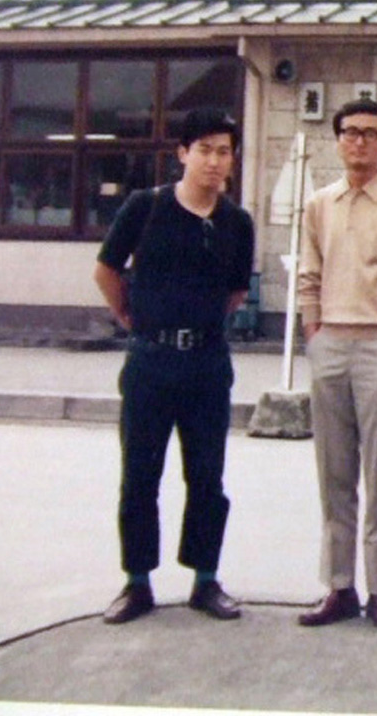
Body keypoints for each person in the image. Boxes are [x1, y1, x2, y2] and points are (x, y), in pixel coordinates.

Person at [93, 108, 255, 624]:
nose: (214, 160)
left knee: (207, 476)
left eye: (224, 151)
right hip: (150, 360)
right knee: (140, 475)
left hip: (207, 362)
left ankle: (205, 580)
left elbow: (236, 293)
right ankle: (137, 583)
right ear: (183, 153)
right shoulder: (146, 207)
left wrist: (197, 323)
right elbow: (106, 270)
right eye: (204, 149)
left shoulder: (237, 222)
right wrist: (131, 316)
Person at [296, 99, 377, 630]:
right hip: (329, 343)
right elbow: (309, 274)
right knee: (333, 474)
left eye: (370, 133)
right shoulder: (319, 205)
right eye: (349, 132)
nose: (359, 141)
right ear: (337, 140)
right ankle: (338, 587)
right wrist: (313, 333)